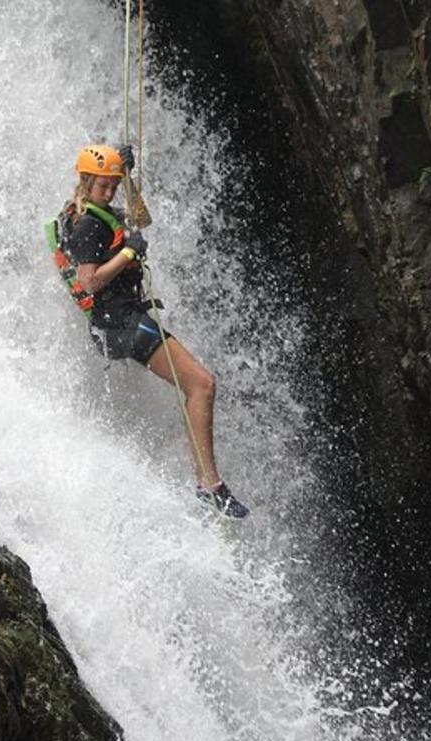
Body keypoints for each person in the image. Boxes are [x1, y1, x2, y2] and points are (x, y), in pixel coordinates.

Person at [57, 143, 249, 519]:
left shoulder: (95, 213)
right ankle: (209, 485)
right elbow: (90, 282)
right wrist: (128, 254)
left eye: (113, 185)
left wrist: (127, 181)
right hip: (122, 324)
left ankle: (204, 475)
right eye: (104, 186)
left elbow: (141, 219)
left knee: (198, 387)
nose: (109, 192)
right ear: (85, 182)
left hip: (122, 321)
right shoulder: (86, 226)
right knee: (202, 385)